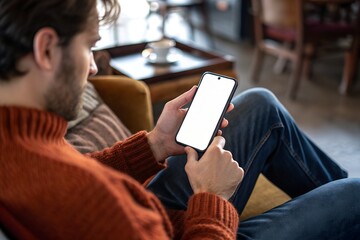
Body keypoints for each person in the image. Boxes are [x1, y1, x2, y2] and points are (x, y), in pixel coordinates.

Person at [0, 0, 359, 239]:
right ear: (46, 49)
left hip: (155, 217)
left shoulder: (20, 142)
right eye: (89, 47)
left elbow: (71, 176)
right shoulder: (88, 200)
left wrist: (154, 144)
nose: (93, 67)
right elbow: (74, 188)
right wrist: (212, 196)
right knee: (352, 195)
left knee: (261, 105)